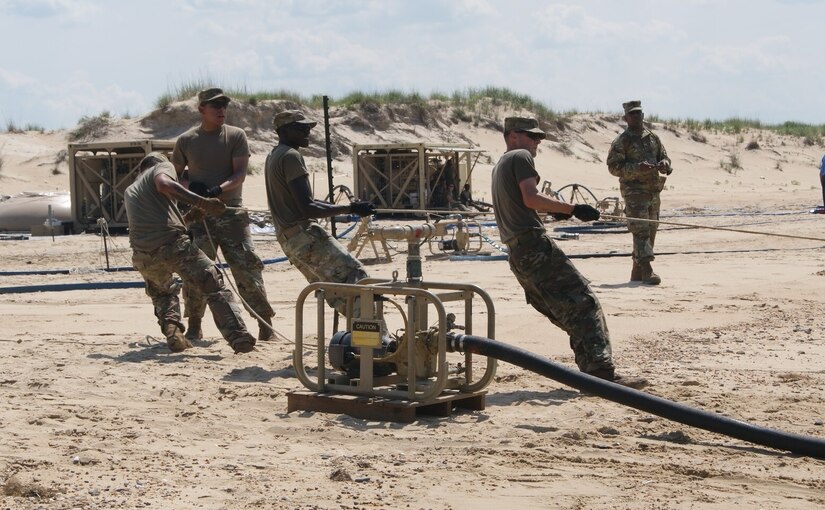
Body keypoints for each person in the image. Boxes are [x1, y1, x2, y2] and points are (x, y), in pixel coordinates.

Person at [491, 116, 647, 388]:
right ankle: (601, 373)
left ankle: (592, 372)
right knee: (584, 304)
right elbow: (530, 197)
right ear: (513, 135)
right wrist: (573, 209)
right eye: (532, 136)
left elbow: (524, 204)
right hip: (534, 248)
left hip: (518, 255)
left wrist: (556, 212)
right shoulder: (519, 156)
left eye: (538, 137)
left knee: (566, 312)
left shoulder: (501, 164)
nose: (537, 141)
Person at [124, 152, 257, 354]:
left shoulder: (132, 189)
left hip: (142, 254)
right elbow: (164, 184)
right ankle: (238, 337)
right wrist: (202, 202)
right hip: (172, 245)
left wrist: (189, 217)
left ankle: (173, 332)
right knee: (212, 282)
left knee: (163, 293)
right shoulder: (161, 168)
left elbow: (157, 224)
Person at [171, 88, 274, 342]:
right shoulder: (186, 140)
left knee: (247, 267)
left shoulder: (235, 136)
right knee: (196, 272)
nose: (221, 110)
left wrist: (217, 190)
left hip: (230, 213)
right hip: (198, 216)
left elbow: (239, 173)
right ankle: (194, 323)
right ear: (201, 110)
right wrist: (191, 189)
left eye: (224, 106)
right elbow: (173, 175)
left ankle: (264, 323)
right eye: (215, 106)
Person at [264, 110, 376, 316]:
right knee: (358, 279)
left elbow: (307, 202)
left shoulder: (274, 155)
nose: (307, 132)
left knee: (336, 292)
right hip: (304, 236)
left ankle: (362, 339)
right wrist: (352, 209)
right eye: (301, 128)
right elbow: (308, 208)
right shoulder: (291, 156)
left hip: (288, 239)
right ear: (284, 131)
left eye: (308, 128)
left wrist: (348, 209)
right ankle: (375, 340)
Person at [606, 100, 672, 285]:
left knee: (651, 229)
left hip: (653, 191)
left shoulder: (652, 138)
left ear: (643, 115)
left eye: (638, 113)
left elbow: (664, 156)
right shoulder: (622, 141)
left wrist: (665, 164)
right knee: (640, 229)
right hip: (634, 192)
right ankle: (647, 269)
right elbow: (613, 167)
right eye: (632, 114)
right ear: (625, 118)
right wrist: (637, 168)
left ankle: (637, 269)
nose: (636, 116)